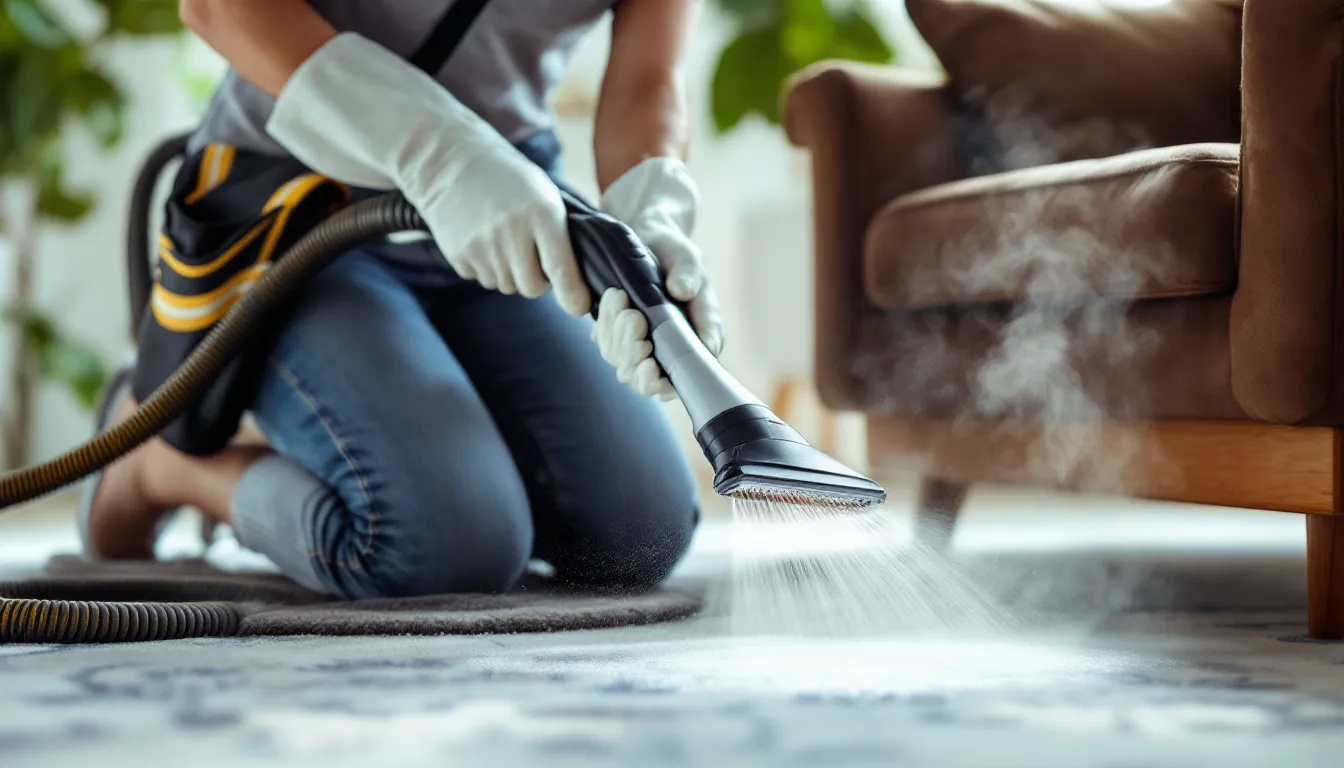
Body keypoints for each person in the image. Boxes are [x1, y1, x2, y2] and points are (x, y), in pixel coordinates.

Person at [78, 0, 724, 600]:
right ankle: (160, 462)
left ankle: (411, 445)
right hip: (299, 215)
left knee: (639, 536)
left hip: (503, 208)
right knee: (441, 549)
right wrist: (439, 155)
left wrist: (650, 215)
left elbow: (648, 77)